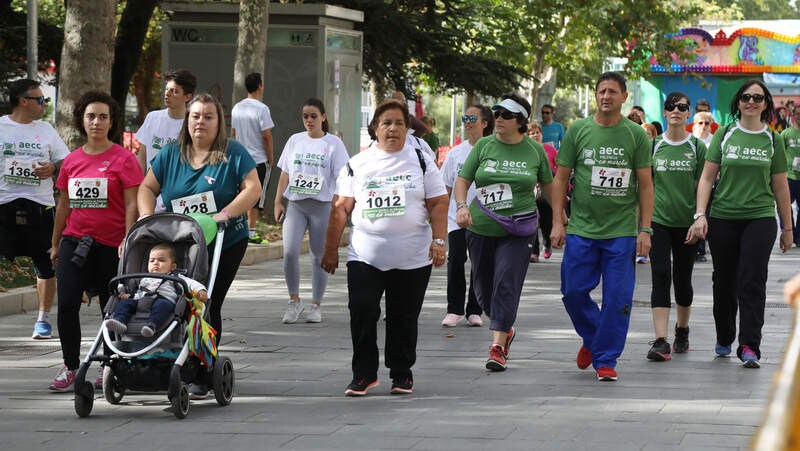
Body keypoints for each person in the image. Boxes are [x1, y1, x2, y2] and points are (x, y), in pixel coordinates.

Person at [321, 99, 448, 396]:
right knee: (362, 310)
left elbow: (439, 203)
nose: (393, 128)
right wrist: (330, 250)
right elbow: (340, 208)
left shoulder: (420, 160)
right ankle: (364, 374)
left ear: (408, 129)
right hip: (365, 255)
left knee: (404, 316)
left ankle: (401, 372)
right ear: (375, 129)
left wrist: (439, 241)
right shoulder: (357, 164)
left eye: (400, 123)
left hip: (413, 257)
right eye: (386, 123)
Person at [138, 93, 261, 397]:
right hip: (179, 241)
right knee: (173, 298)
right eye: (195, 116)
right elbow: (147, 186)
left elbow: (253, 187)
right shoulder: (171, 154)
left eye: (208, 116)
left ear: (219, 122)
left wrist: (224, 214)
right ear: (187, 120)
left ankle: (204, 367)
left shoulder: (233, 152)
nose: (201, 122)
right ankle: (168, 359)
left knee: (206, 301)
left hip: (224, 238)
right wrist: (146, 216)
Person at [550, 71, 653, 382]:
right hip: (582, 228)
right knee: (572, 292)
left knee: (618, 298)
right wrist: (558, 220)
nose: (605, 96)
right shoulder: (578, 130)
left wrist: (645, 229)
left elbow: (646, 186)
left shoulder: (636, 135)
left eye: (612, 91)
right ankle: (594, 339)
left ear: (624, 97)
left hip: (621, 231)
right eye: (601, 91)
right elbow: (560, 179)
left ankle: (606, 358)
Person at [687, 79, 792, 369]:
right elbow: (707, 178)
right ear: (739, 101)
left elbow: (781, 187)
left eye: (758, 98)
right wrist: (700, 214)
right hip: (723, 217)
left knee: (752, 280)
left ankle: (749, 345)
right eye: (746, 97)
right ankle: (725, 335)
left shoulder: (773, 139)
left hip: (759, 217)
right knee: (724, 282)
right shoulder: (725, 134)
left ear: (766, 104)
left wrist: (787, 227)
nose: (751, 102)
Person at [49, 91, 144, 392]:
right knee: (66, 304)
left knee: (110, 309)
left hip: (111, 244)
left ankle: (108, 366)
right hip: (74, 242)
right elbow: (63, 204)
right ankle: (70, 367)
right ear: (82, 120)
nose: (97, 122)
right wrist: (55, 243)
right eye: (91, 116)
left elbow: (132, 204)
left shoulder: (124, 159)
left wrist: (127, 241)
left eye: (103, 116)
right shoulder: (72, 161)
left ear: (112, 121)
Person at [454, 94, 554, 372]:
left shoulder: (535, 151)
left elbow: (549, 187)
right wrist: (462, 206)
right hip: (481, 227)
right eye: (496, 113)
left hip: (519, 230)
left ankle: (498, 345)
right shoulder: (484, 145)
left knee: (506, 283)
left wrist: (559, 219)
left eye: (506, 115)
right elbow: (463, 180)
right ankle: (504, 327)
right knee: (483, 289)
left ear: (521, 121)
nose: (498, 118)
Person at [0, 79, 69, 340]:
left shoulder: (46, 129)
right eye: (40, 99)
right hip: (4, 203)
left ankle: (43, 319)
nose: (44, 104)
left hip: (39, 205)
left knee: (46, 264)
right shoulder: (1, 127)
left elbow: (65, 160)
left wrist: (52, 168)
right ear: (23, 101)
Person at [273, 98, 349, 324]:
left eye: (314, 116)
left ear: (323, 117)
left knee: (319, 256)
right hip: (296, 204)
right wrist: (278, 201)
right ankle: (294, 301)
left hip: (322, 206)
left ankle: (316, 305)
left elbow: (341, 177)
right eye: (305, 116)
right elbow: (285, 173)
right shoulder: (295, 140)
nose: (309, 120)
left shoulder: (333, 143)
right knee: (289, 252)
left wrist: (339, 206)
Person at [646, 92, 707, 362]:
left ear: (688, 112)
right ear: (664, 110)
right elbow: (645, 186)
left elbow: (703, 186)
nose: (676, 111)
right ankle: (661, 340)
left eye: (682, 107)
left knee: (683, 280)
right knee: (660, 274)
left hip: (687, 224)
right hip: (658, 221)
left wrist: (699, 217)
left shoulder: (697, 147)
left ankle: (682, 329)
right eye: (671, 106)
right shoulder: (653, 146)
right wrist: (642, 224)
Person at [439, 105, 493, 327]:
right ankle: (454, 309)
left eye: (472, 118)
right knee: (456, 260)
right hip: (456, 218)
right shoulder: (456, 153)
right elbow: (446, 187)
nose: (467, 121)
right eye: (465, 117)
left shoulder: (493, 149)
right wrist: (439, 220)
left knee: (480, 264)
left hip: (484, 217)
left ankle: (474, 310)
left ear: (485, 123)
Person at [106, 243, 208, 337]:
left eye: (161, 260)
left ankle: (151, 325)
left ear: (173, 266)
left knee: (162, 306)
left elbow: (191, 283)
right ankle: (119, 321)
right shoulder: (144, 278)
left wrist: (200, 290)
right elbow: (138, 292)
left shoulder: (175, 277)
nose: (156, 263)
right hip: (140, 301)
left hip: (163, 301)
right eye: (152, 260)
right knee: (124, 303)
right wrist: (128, 297)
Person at [231, 72, 275, 244]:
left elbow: (233, 134)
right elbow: (266, 136)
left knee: (241, 193)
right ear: (260, 86)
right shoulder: (262, 109)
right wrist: (270, 157)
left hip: (240, 159)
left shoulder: (237, 108)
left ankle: (241, 230)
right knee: (257, 195)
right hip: (258, 159)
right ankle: (251, 231)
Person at [135, 69, 196, 175]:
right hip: (150, 189)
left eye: (174, 91)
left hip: (179, 188)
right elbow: (142, 156)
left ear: (188, 96)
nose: (167, 94)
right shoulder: (152, 117)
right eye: (167, 89)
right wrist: (140, 187)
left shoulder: (193, 124)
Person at [526, 121, 558, 263]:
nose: (535, 135)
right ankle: (534, 251)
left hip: (545, 191)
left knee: (546, 221)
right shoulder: (524, 150)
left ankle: (547, 243)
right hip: (529, 190)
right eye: (532, 133)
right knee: (532, 220)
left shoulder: (550, 150)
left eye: (537, 132)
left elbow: (559, 169)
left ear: (542, 134)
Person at [782, 107, 800, 246]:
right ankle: (791, 233)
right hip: (789, 177)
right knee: (784, 206)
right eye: (798, 114)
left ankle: (798, 237)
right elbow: (778, 155)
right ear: (793, 115)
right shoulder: (786, 134)